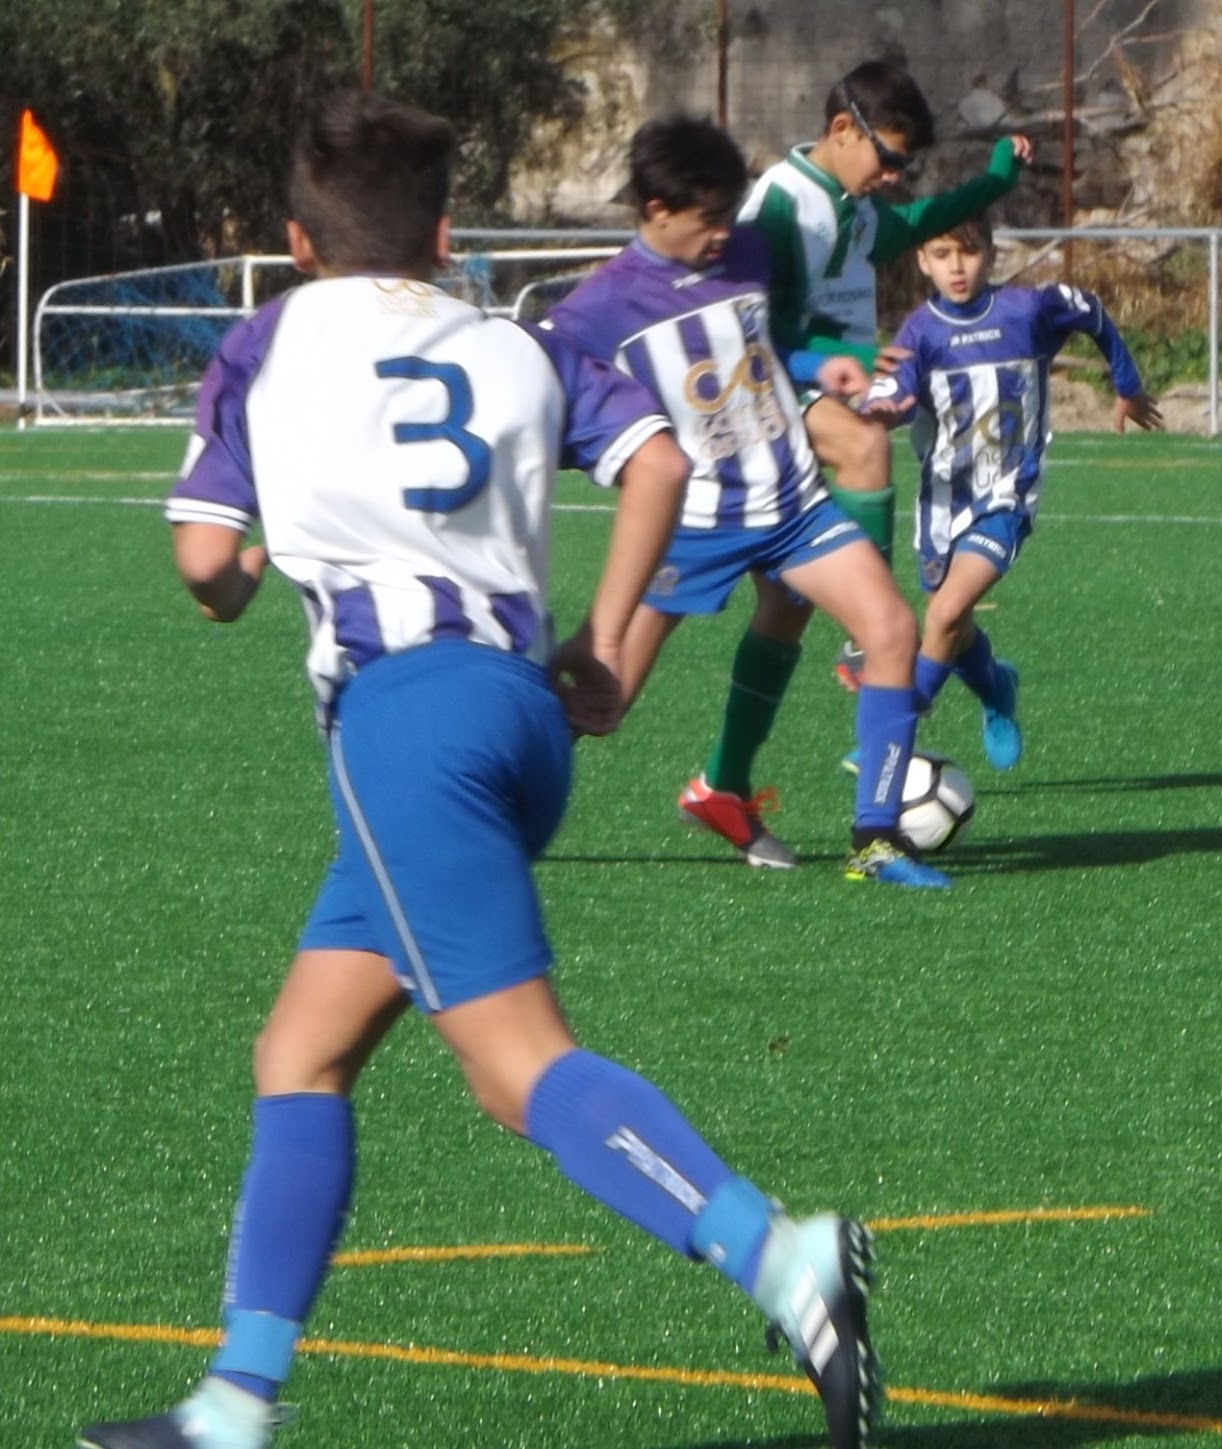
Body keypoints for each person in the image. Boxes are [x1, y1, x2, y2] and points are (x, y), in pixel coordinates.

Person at [77, 91, 878, 1449]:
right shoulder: (519, 341)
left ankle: (778, 1254)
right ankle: (233, 1401)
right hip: (515, 714)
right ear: (447, 236)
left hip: (406, 725)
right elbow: (659, 462)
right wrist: (603, 645)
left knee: (515, 1069)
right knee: (302, 1050)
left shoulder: (270, 338)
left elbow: (205, 561)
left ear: (296, 242)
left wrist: (247, 577)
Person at [546, 114, 950, 890]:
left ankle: (874, 841)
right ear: (656, 210)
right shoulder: (596, 309)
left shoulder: (749, 252)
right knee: (603, 698)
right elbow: (539, 392)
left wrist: (820, 364)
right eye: (707, 219)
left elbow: (765, 343)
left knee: (893, 629)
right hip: (692, 525)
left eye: (728, 214)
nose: (723, 233)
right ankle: (482, 816)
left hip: (792, 504)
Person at [731, 59, 1033, 739]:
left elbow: (920, 220)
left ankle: (725, 780)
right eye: (889, 158)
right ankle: (868, 637)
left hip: (820, 390)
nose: (893, 175)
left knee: (785, 606)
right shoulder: (781, 205)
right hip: (761, 392)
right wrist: (859, 363)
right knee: (866, 447)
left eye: (903, 164)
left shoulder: (857, 207)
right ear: (843, 128)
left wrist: (993, 183)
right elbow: (755, 334)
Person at [860, 213, 1162, 770]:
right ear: (922, 261)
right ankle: (997, 690)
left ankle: (890, 737)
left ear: (991, 253)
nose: (957, 267)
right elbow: (893, 388)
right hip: (942, 501)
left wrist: (1127, 383)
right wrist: (882, 408)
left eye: (968, 252)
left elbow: (1091, 311)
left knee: (945, 614)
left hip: (1008, 493)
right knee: (953, 624)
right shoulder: (919, 333)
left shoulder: (1028, 310)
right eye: (942, 255)